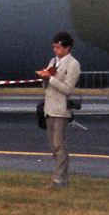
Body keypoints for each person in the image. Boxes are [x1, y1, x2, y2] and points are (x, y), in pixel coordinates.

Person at [35, 31, 81, 187]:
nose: (55, 50)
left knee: (59, 145)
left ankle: (60, 180)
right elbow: (48, 83)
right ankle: (60, 177)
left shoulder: (73, 64)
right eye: (54, 47)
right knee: (54, 147)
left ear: (67, 48)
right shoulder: (53, 61)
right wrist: (44, 77)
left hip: (60, 110)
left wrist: (50, 79)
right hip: (49, 108)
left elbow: (67, 89)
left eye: (58, 47)